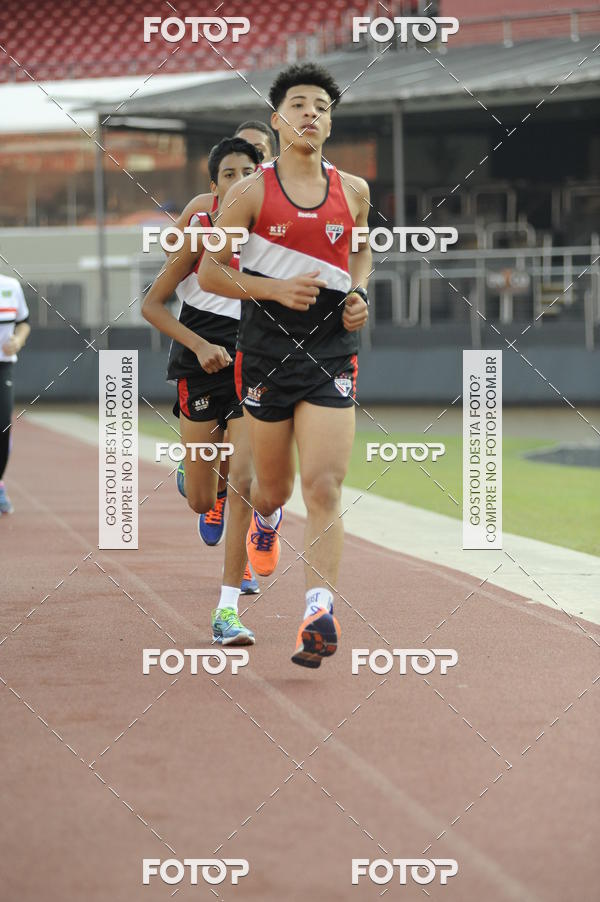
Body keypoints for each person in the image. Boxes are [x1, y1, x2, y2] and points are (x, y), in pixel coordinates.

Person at [198, 63, 371, 668]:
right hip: (266, 354)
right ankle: (264, 521)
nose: (310, 113)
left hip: (331, 352)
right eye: (298, 104)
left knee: (324, 485)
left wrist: (359, 293)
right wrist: (273, 290)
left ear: (331, 122)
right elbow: (211, 272)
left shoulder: (353, 190)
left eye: (321, 105)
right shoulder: (250, 192)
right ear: (277, 119)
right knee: (268, 488)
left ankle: (318, 614)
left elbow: (361, 250)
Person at [142, 136, 262, 643]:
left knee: (244, 483)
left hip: (253, 362)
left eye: (248, 172)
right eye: (229, 174)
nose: (239, 181)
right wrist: (199, 345)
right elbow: (151, 305)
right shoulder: (200, 229)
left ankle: (226, 610)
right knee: (200, 498)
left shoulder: (272, 234)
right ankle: (199, 481)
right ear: (214, 187)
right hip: (200, 362)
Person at [168, 121, 277, 548]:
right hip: (202, 349)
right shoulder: (202, 210)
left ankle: (256, 539)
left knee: (247, 468)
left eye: (257, 157)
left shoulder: (279, 216)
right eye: (231, 170)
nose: (244, 174)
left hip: (255, 350)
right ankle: (209, 487)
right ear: (216, 180)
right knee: (206, 489)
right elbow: (171, 260)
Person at [0, 273, 31, 516]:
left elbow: (24, 322)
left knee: (3, 425)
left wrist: (18, 341)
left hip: (3, 366)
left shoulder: (10, 286)